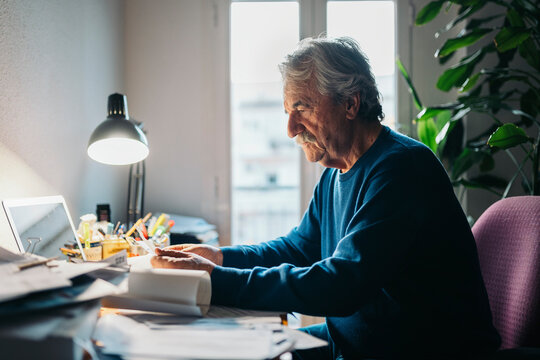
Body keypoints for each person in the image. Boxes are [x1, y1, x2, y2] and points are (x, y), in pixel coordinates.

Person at [151, 37, 500, 359]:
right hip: (360, 342)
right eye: (288, 110)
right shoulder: (336, 173)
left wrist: (216, 280)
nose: (290, 128)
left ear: (350, 103)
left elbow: (342, 284)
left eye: (301, 107)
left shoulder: (402, 168)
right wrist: (220, 256)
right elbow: (298, 249)